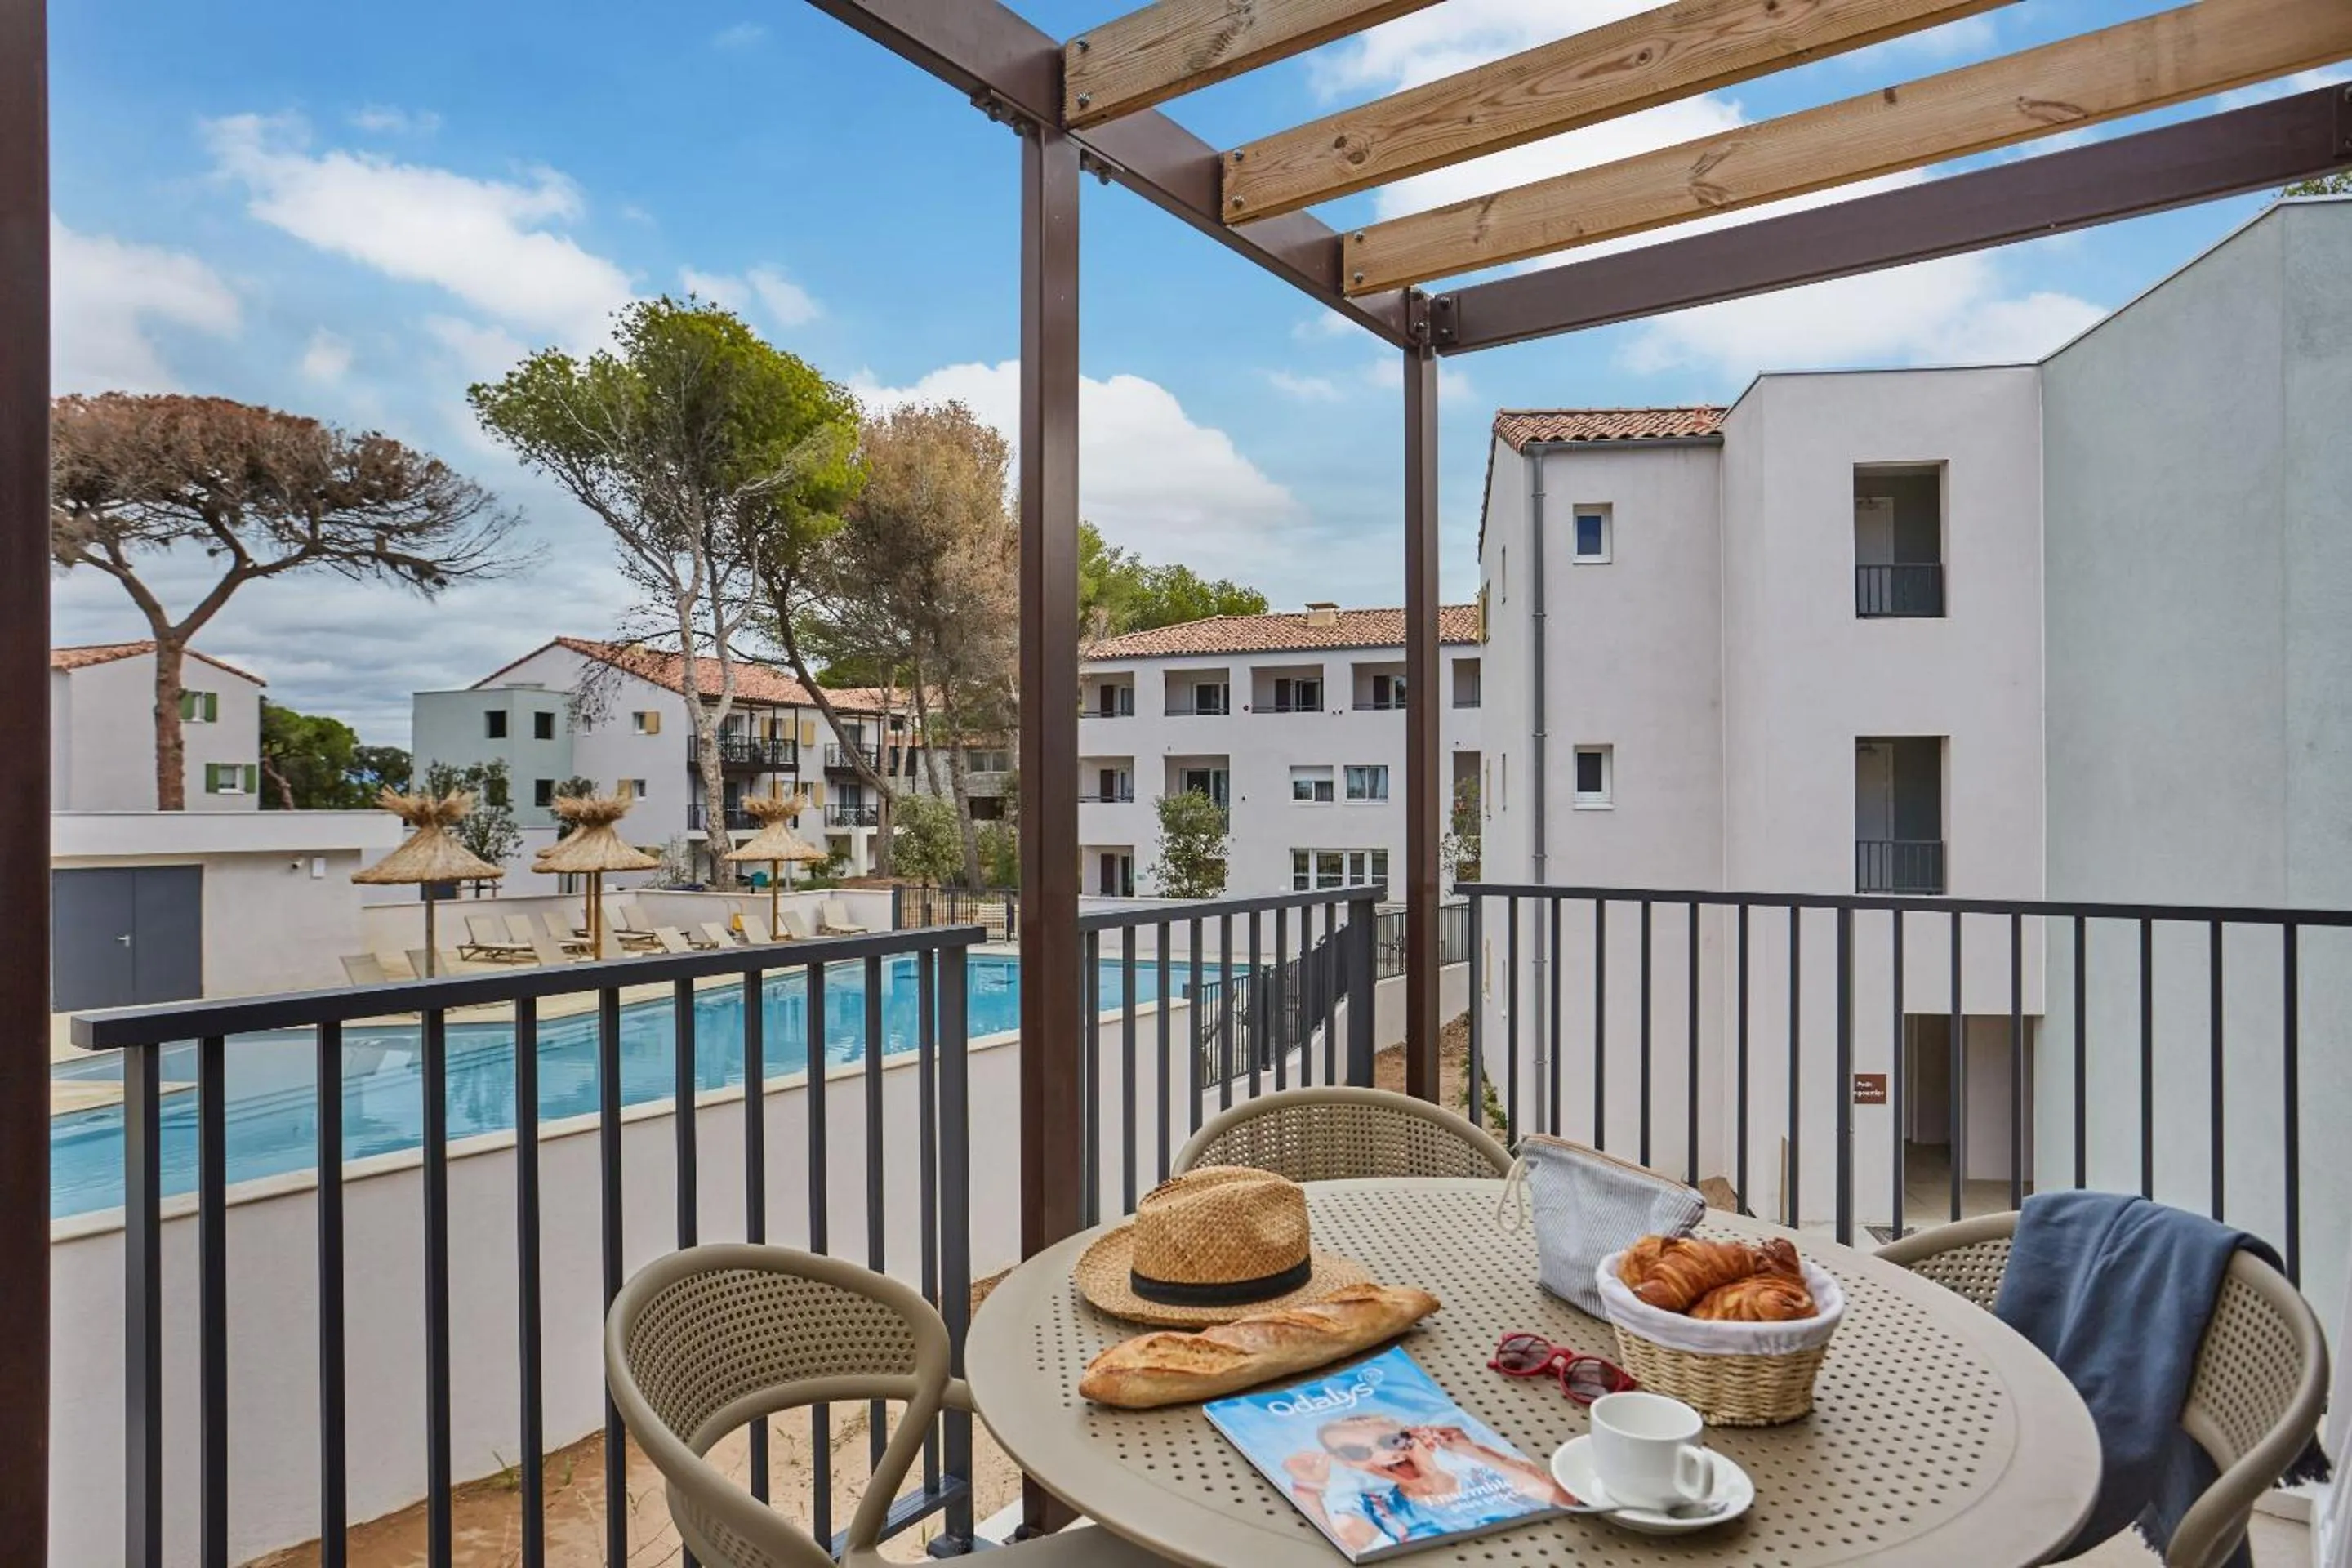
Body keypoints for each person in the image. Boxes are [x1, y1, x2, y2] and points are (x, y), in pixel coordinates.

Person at [1281, 1413, 1570, 1552]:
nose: (1383, 1454)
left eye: (1391, 1440)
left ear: (1417, 1437)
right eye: (1356, 1451)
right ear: (1349, 1464)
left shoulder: (1485, 1473)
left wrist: (1472, 1450)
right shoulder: (1373, 1507)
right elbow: (1338, 1547)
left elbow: (1560, 1499)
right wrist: (1309, 1490)